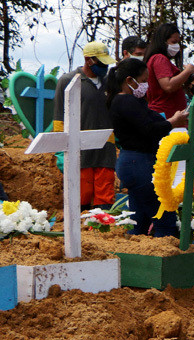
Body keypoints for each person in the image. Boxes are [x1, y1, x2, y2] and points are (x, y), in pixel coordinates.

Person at [106, 57, 186, 236]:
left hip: (135, 161)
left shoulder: (130, 101)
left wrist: (169, 120)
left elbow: (154, 119)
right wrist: (173, 122)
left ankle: (138, 256)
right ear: (129, 80)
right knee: (164, 216)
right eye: (143, 81)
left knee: (139, 219)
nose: (146, 86)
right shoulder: (124, 101)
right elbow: (150, 128)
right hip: (137, 163)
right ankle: (166, 254)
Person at [53, 41, 117, 211]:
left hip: (105, 149)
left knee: (105, 202)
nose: (104, 66)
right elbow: (59, 118)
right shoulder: (68, 81)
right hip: (79, 152)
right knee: (81, 199)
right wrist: (61, 150)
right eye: (100, 62)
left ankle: (104, 236)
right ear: (88, 60)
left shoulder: (109, 83)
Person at [145, 23, 194, 117]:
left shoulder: (157, 59)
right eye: (173, 42)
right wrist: (187, 71)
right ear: (163, 41)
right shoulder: (160, 59)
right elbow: (168, 86)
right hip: (166, 116)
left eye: (178, 42)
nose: (176, 46)